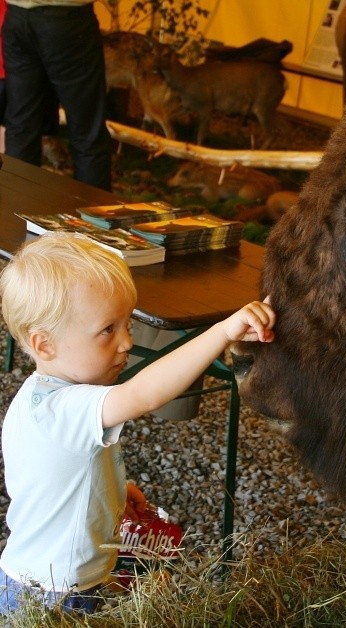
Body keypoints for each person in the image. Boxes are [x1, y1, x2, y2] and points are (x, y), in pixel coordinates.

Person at [0, 232, 276, 614]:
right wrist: (222, 332)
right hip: (56, 594)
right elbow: (145, 394)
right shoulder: (65, 409)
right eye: (107, 330)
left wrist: (110, 491)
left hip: (42, 578)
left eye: (127, 324)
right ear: (45, 344)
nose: (127, 342)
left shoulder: (36, 396)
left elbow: (51, 478)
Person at [2, 0, 112, 190]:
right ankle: (93, 215)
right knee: (87, 132)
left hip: (17, 16)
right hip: (67, 17)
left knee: (21, 126)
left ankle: (14, 213)